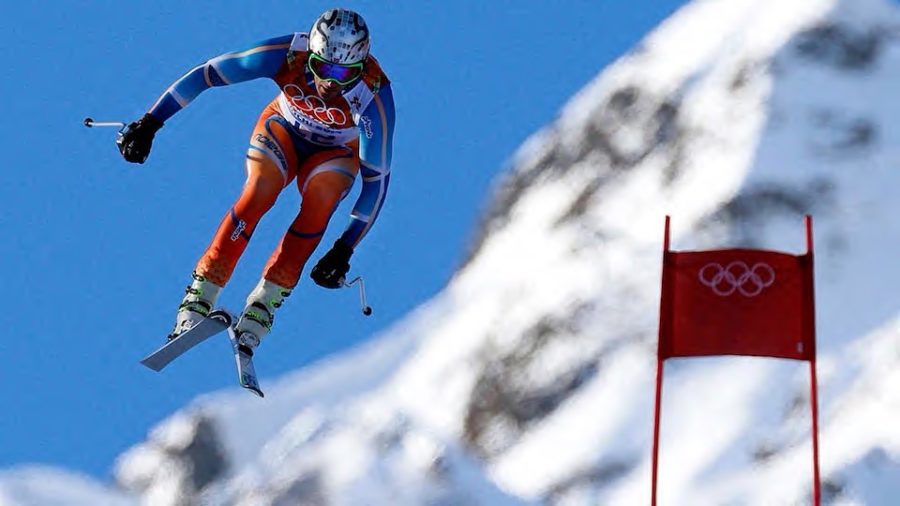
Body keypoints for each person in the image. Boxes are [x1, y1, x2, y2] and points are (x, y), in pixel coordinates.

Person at [116, 8, 395, 355]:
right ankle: (200, 295)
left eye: (344, 74)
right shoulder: (288, 56)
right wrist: (150, 122)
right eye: (323, 68)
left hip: (336, 154)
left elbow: (377, 180)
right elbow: (208, 74)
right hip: (282, 131)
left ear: (362, 67)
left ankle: (264, 306)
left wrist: (345, 248)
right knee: (259, 191)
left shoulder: (373, 95)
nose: (331, 82)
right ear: (312, 55)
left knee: (319, 206)